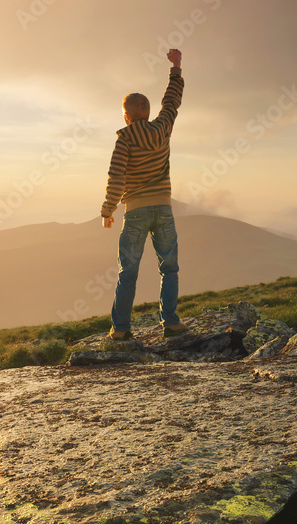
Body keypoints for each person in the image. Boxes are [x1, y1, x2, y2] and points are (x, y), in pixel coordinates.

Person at [100, 48, 188, 339]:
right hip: (163, 210)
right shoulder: (163, 127)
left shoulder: (124, 139)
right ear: (148, 114)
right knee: (170, 269)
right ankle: (172, 323)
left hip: (135, 211)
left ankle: (122, 330)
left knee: (128, 272)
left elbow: (117, 176)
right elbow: (172, 101)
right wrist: (176, 67)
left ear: (126, 116)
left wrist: (108, 210)